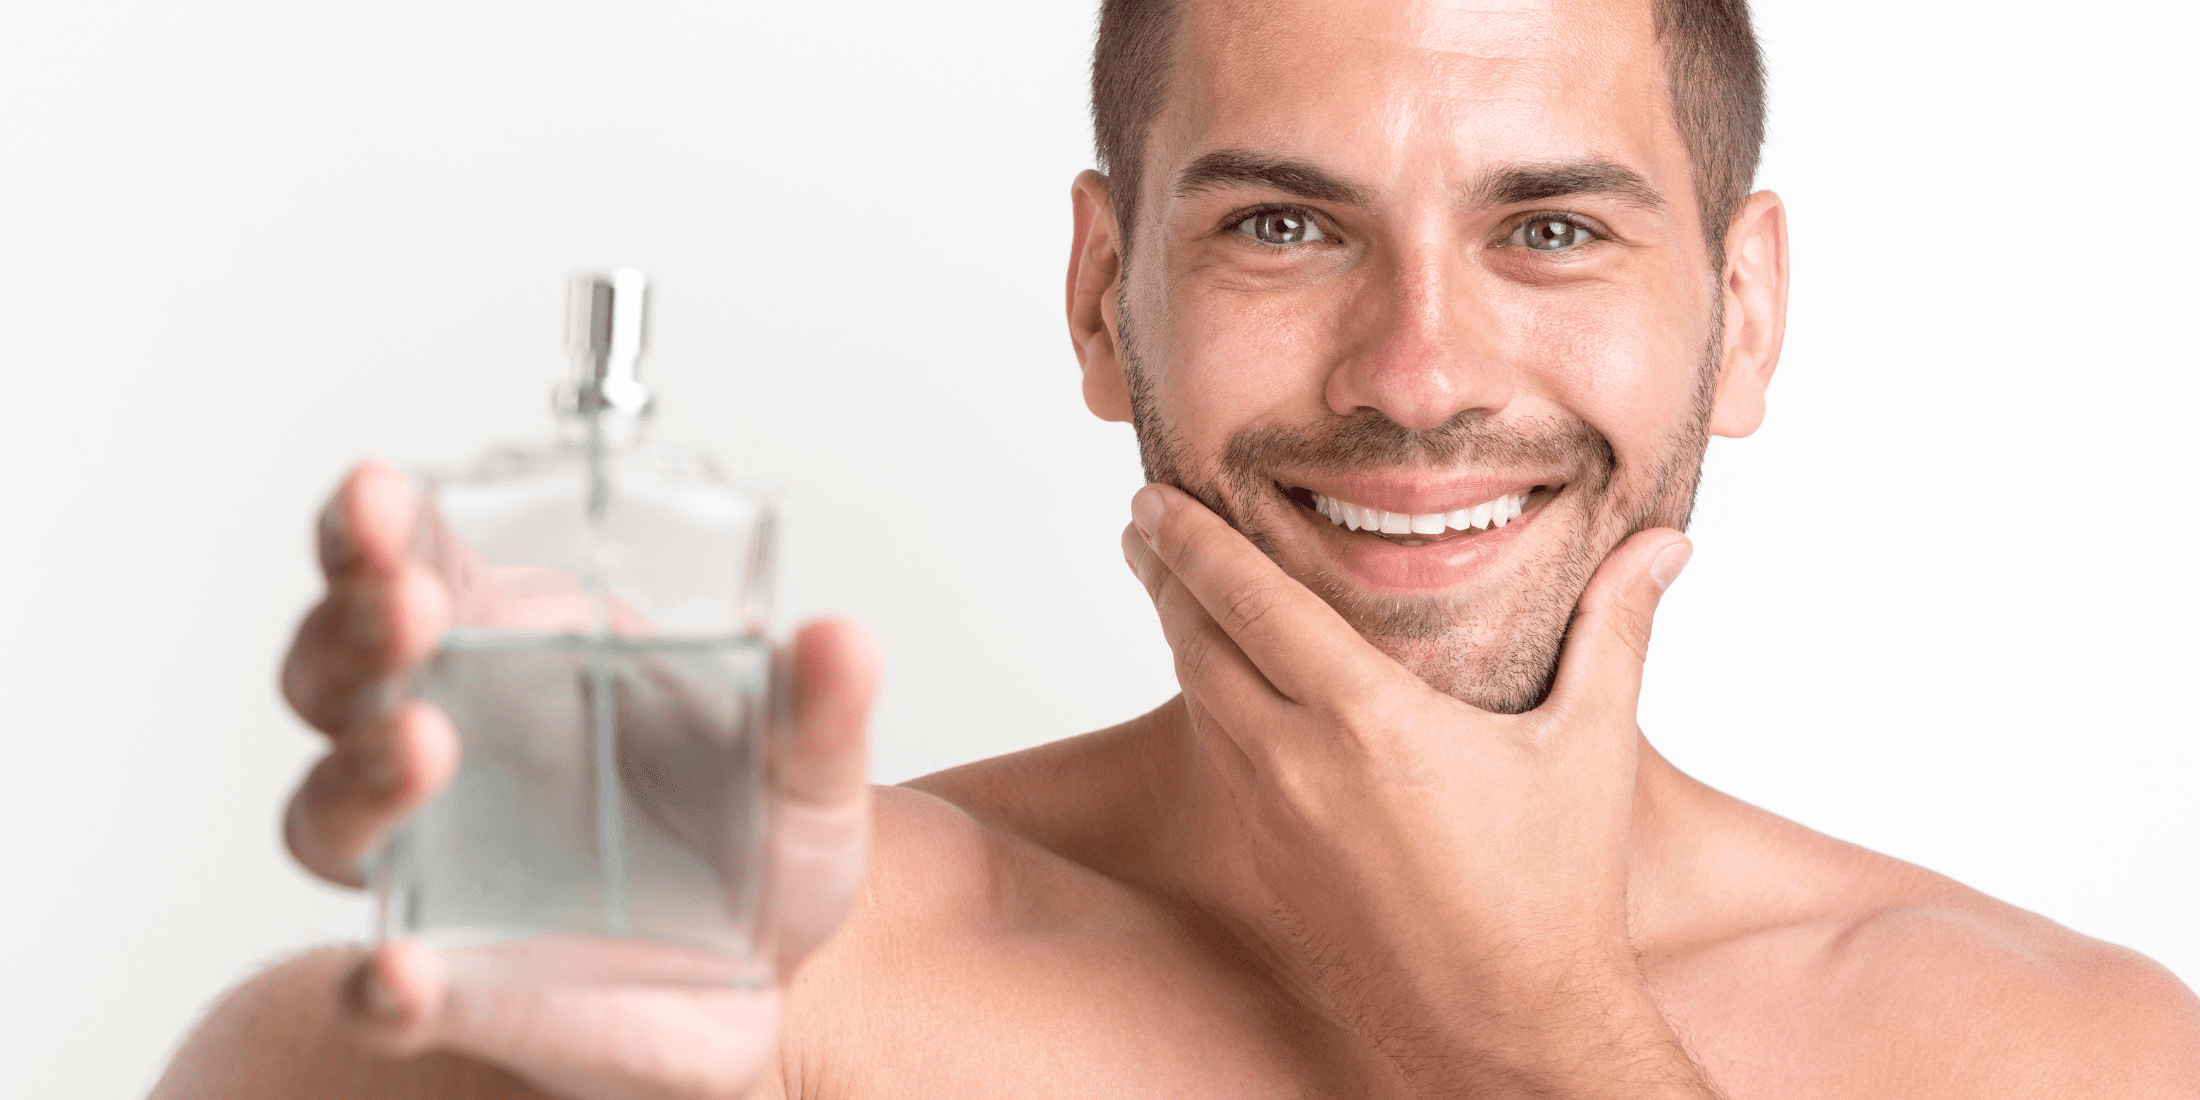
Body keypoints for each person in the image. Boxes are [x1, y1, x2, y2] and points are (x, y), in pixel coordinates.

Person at [152, 0, 2200, 1096]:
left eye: (1548, 225)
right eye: (1283, 225)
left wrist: (1523, 1036)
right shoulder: (822, 985)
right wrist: (477, 1030)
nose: (1416, 373)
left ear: (1740, 312)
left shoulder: (2067, 1057)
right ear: (1096, 293)